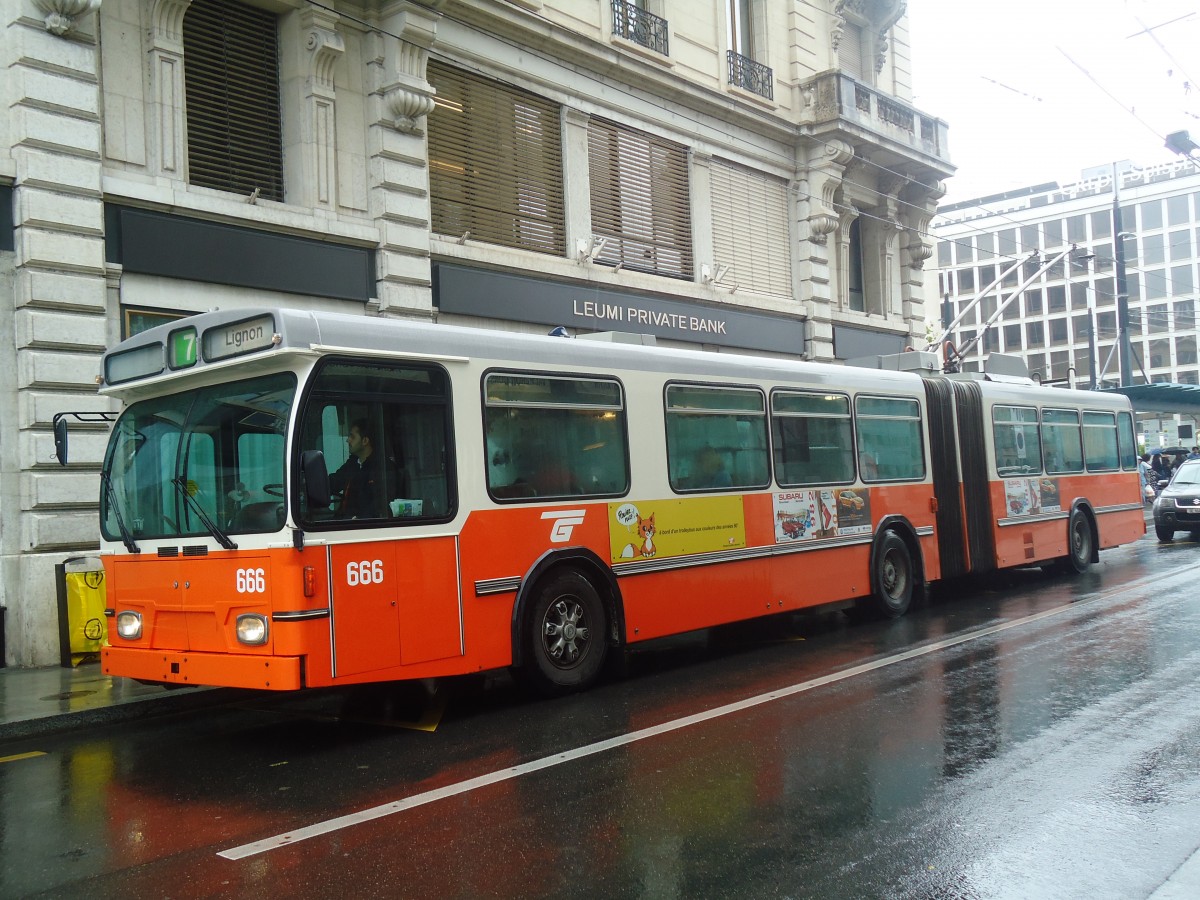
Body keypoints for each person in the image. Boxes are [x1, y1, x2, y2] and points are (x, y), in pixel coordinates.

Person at [329, 419, 383, 519]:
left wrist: (358, 519)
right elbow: (336, 481)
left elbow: (377, 506)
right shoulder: (353, 463)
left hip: (361, 524)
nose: (347, 440)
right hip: (343, 521)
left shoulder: (380, 468)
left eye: (352, 437)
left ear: (365, 441)